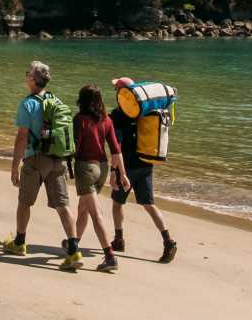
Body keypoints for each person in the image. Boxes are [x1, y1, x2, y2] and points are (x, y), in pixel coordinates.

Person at [0, 61, 80, 267]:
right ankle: (73, 251)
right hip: (57, 159)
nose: (25, 75)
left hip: (36, 159)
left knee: (25, 202)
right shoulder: (55, 100)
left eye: (28, 73)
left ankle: (19, 242)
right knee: (63, 205)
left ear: (34, 80)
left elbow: (22, 138)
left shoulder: (28, 104)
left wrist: (14, 165)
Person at [110, 77, 176, 263]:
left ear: (122, 92)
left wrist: (114, 171)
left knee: (117, 203)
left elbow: (117, 146)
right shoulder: (146, 112)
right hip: (146, 163)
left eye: (117, 89)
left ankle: (118, 239)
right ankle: (168, 240)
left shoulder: (117, 115)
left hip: (127, 166)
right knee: (149, 204)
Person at [69, 84, 126, 272]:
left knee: (95, 214)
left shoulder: (79, 119)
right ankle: (73, 244)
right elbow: (116, 151)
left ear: (82, 100)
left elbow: (75, 147)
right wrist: (122, 174)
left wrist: (62, 160)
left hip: (85, 168)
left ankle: (110, 256)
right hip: (102, 168)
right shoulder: (107, 120)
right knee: (83, 208)